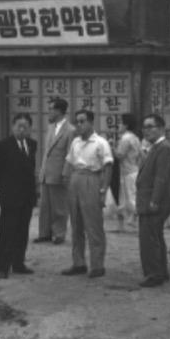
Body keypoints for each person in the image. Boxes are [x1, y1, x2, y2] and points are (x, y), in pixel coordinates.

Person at [61, 109, 113, 279]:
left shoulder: (100, 142)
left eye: (83, 121)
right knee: (75, 224)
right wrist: (65, 178)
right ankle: (78, 262)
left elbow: (108, 166)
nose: (79, 125)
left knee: (93, 224)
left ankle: (98, 265)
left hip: (92, 179)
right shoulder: (75, 141)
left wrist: (103, 189)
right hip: (75, 179)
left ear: (91, 122)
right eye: (77, 122)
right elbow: (69, 161)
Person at [0, 113, 38, 279]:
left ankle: (18, 263)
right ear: (13, 126)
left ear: (30, 128)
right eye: (19, 126)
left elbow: (31, 171)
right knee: (6, 232)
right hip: (10, 196)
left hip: (27, 197)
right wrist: (3, 189)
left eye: (26, 126)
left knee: (22, 231)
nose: (22, 129)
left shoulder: (32, 145)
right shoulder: (3, 146)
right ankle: (2, 266)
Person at [136, 114, 170, 287]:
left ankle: (154, 274)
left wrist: (155, 200)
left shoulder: (163, 148)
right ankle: (160, 271)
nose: (146, 130)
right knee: (154, 237)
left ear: (161, 128)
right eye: (144, 127)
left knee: (149, 238)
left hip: (154, 200)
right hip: (149, 198)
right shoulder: (155, 147)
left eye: (151, 126)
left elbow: (161, 177)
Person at [35, 97, 76, 245]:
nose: (49, 112)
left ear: (59, 111)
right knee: (45, 205)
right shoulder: (51, 127)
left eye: (51, 109)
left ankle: (59, 233)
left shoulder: (70, 130)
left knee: (59, 206)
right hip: (47, 172)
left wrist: (66, 172)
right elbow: (46, 152)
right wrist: (42, 170)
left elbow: (70, 153)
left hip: (59, 172)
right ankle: (44, 233)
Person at [114, 113, 143, 232]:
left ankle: (141, 222)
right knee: (126, 199)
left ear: (126, 125)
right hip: (133, 170)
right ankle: (122, 225)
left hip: (128, 172)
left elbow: (120, 155)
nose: (118, 125)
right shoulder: (135, 137)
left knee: (131, 200)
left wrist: (111, 148)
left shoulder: (125, 138)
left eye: (121, 123)